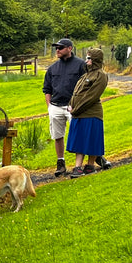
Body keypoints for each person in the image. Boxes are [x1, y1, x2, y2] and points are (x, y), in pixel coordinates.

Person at [42, 38, 87, 177]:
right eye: (56, 48)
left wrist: (79, 105)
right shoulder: (52, 68)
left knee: (79, 134)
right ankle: (60, 163)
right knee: (57, 135)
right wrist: (49, 106)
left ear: (69, 48)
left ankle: (78, 166)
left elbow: (86, 86)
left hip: (73, 106)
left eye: (60, 48)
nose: (57, 50)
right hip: (56, 106)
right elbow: (47, 89)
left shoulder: (81, 65)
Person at [65, 47, 110, 176]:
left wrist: (76, 110)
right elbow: (76, 93)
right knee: (79, 141)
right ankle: (77, 167)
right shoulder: (86, 74)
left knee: (91, 140)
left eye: (89, 58)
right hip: (79, 113)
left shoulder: (100, 75)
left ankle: (89, 166)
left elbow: (91, 96)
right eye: (86, 58)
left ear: (95, 59)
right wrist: (70, 105)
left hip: (91, 114)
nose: (86, 60)